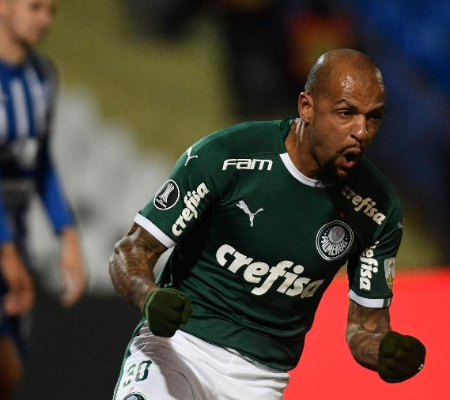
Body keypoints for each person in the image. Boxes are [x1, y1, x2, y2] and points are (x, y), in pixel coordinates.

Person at [110, 49, 426, 400]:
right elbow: (131, 249)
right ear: (306, 107)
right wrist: (149, 297)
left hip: (260, 380)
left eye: (373, 117)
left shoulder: (377, 209)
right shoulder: (225, 157)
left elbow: (365, 328)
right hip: (177, 349)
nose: (361, 131)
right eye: (346, 113)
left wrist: (384, 352)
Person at [0, 0, 86, 397]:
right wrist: (5, 250)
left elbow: (41, 161)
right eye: (35, 8)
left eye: (51, 11)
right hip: (6, 248)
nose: (45, 20)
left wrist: (68, 235)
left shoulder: (43, 77)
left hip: (13, 242)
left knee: (12, 370)